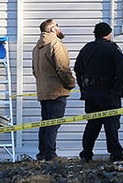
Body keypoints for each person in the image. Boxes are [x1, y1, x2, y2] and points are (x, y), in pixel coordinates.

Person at [74, 21, 123, 162]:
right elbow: (121, 69)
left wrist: (83, 89)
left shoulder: (86, 48)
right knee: (111, 124)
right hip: (108, 93)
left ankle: (86, 153)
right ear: (108, 34)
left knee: (92, 124)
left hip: (91, 93)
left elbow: (77, 68)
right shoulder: (112, 48)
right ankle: (115, 153)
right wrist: (118, 89)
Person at [30, 19, 76, 161]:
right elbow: (62, 68)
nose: (59, 27)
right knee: (54, 123)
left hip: (43, 91)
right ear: (52, 30)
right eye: (57, 25)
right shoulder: (55, 44)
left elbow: (34, 70)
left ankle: (42, 153)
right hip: (56, 90)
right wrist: (71, 83)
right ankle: (50, 154)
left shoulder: (37, 48)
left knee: (45, 122)